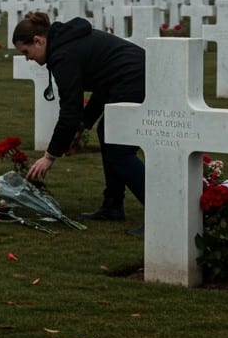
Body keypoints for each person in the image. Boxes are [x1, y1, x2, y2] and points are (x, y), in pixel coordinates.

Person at [13, 11, 145, 221]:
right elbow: (104, 82)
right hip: (129, 76)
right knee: (109, 135)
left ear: (38, 41)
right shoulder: (64, 44)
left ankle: (161, 211)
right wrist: (84, 124)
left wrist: (50, 156)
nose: (28, 59)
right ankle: (112, 205)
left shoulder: (63, 55)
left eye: (26, 52)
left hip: (134, 77)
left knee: (119, 145)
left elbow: (70, 109)